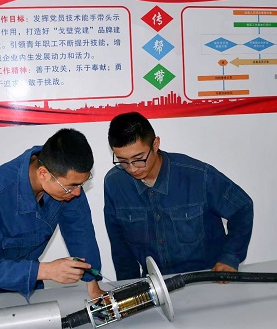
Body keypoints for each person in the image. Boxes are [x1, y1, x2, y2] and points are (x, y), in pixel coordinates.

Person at [0, 128, 104, 300]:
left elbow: (80, 232)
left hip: (29, 273)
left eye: (81, 184)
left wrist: (93, 285)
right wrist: (47, 270)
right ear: (43, 174)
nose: (77, 193)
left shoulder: (66, 179)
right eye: (72, 187)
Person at [104, 112, 254, 280]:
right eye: (123, 161)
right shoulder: (115, 183)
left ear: (155, 144)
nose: (132, 168)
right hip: (157, 284)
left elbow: (242, 208)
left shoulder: (198, 176)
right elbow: (120, 245)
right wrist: (129, 285)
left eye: (139, 159)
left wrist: (230, 258)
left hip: (207, 279)